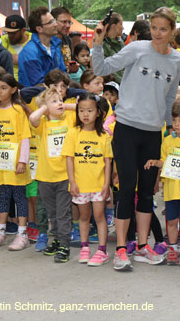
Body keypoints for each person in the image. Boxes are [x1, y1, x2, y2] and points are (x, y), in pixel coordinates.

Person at [92, 7, 180, 271]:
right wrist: (98, 41)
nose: (157, 33)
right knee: (126, 188)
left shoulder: (176, 60)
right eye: (154, 27)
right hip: (127, 128)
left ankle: (143, 247)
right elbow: (101, 67)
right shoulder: (137, 48)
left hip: (153, 133)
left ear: (172, 31)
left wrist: (168, 130)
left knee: (146, 193)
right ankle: (121, 249)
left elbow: (169, 98)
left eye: (163, 29)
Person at [144, 97, 180, 267]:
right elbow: (164, 162)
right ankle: (173, 249)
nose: (177, 124)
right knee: (172, 221)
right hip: (171, 189)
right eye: (174, 120)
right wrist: (155, 162)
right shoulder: (167, 140)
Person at [62, 93, 113, 266]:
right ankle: (85, 248)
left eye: (90, 110)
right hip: (80, 184)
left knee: (99, 216)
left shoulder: (104, 136)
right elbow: (69, 159)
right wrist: (72, 182)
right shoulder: (72, 133)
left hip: (98, 185)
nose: (85, 114)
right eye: (81, 110)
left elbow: (107, 162)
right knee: (84, 216)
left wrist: (107, 185)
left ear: (98, 113)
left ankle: (102, 250)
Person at [28, 86, 75, 262]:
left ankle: (64, 244)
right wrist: (45, 108)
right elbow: (33, 117)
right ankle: (56, 239)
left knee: (63, 212)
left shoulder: (68, 120)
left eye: (60, 100)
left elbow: (80, 108)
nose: (60, 104)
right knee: (52, 212)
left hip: (64, 176)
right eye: (54, 101)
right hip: (45, 177)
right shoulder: (43, 125)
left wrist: (62, 105)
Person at [0, 73, 31, 250]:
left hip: (16, 164)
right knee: (3, 197)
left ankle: (22, 233)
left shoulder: (18, 111)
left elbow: (25, 137)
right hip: (0, 164)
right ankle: (1, 231)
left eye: (3, 88)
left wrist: (22, 161)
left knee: (19, 198)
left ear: (13, 89)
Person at [18, 6, 66, 87]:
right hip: (36, 97)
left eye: (54, 20)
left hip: (56, 93)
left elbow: (63, 73)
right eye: (50, 22)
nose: (56, 24)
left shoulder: (55, 46)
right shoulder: (30, 52)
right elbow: (38, 84)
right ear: (39, 29)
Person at [1, 15, 31, 81]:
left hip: (29, 83)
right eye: (8, 32)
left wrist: (21, 60)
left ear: (23, 30)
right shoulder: (2, 40)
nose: (10, 36)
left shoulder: (34, 41)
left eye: (13, 33)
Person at [51, 7, 76, 74]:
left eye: (69, 22)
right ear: (54, 21)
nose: (67, 25)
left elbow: (70, 62)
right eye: (64, 22)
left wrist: (73, 67)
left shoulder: (68, 40)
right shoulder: (48, 40)